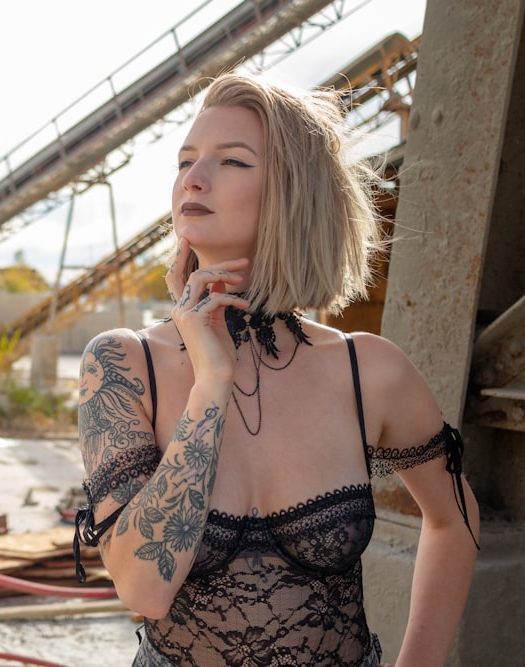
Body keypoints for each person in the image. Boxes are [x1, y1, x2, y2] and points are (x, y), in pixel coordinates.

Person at [72, 73, 479, 667]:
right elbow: (143, 589)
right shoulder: (123, 363)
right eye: (185, 160)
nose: (195, 177)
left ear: (293, 190)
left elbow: (454, 521)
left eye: (232, 161)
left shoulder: (368, 370)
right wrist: (210, 385)